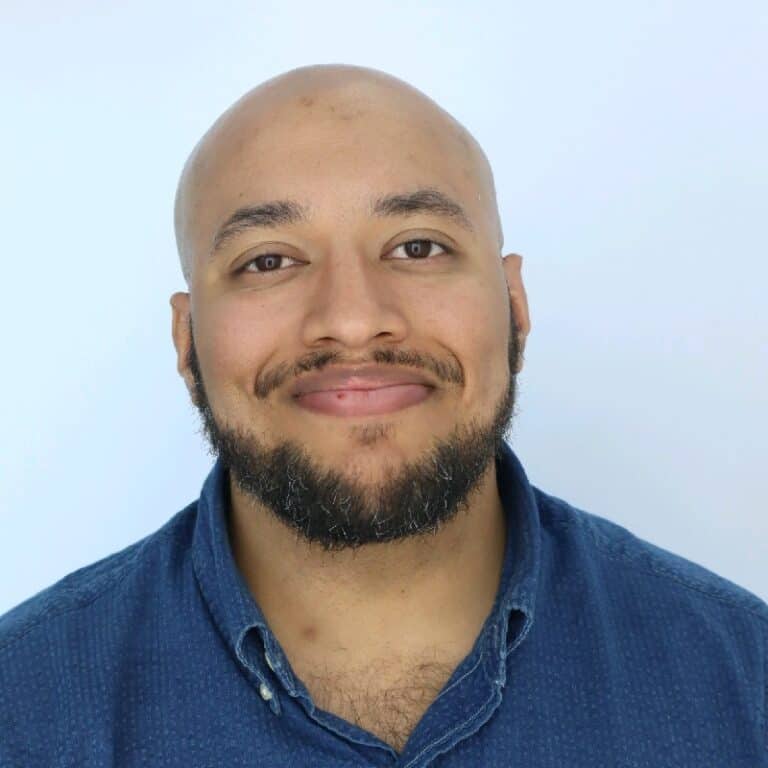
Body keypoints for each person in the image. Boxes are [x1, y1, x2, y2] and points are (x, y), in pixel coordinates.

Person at [0, 63, 765, 768]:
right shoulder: (22, 709)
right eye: (268, 261)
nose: (354, 320)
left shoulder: (746, 680)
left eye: (418, 247)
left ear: (514, 303)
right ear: (185, 336)